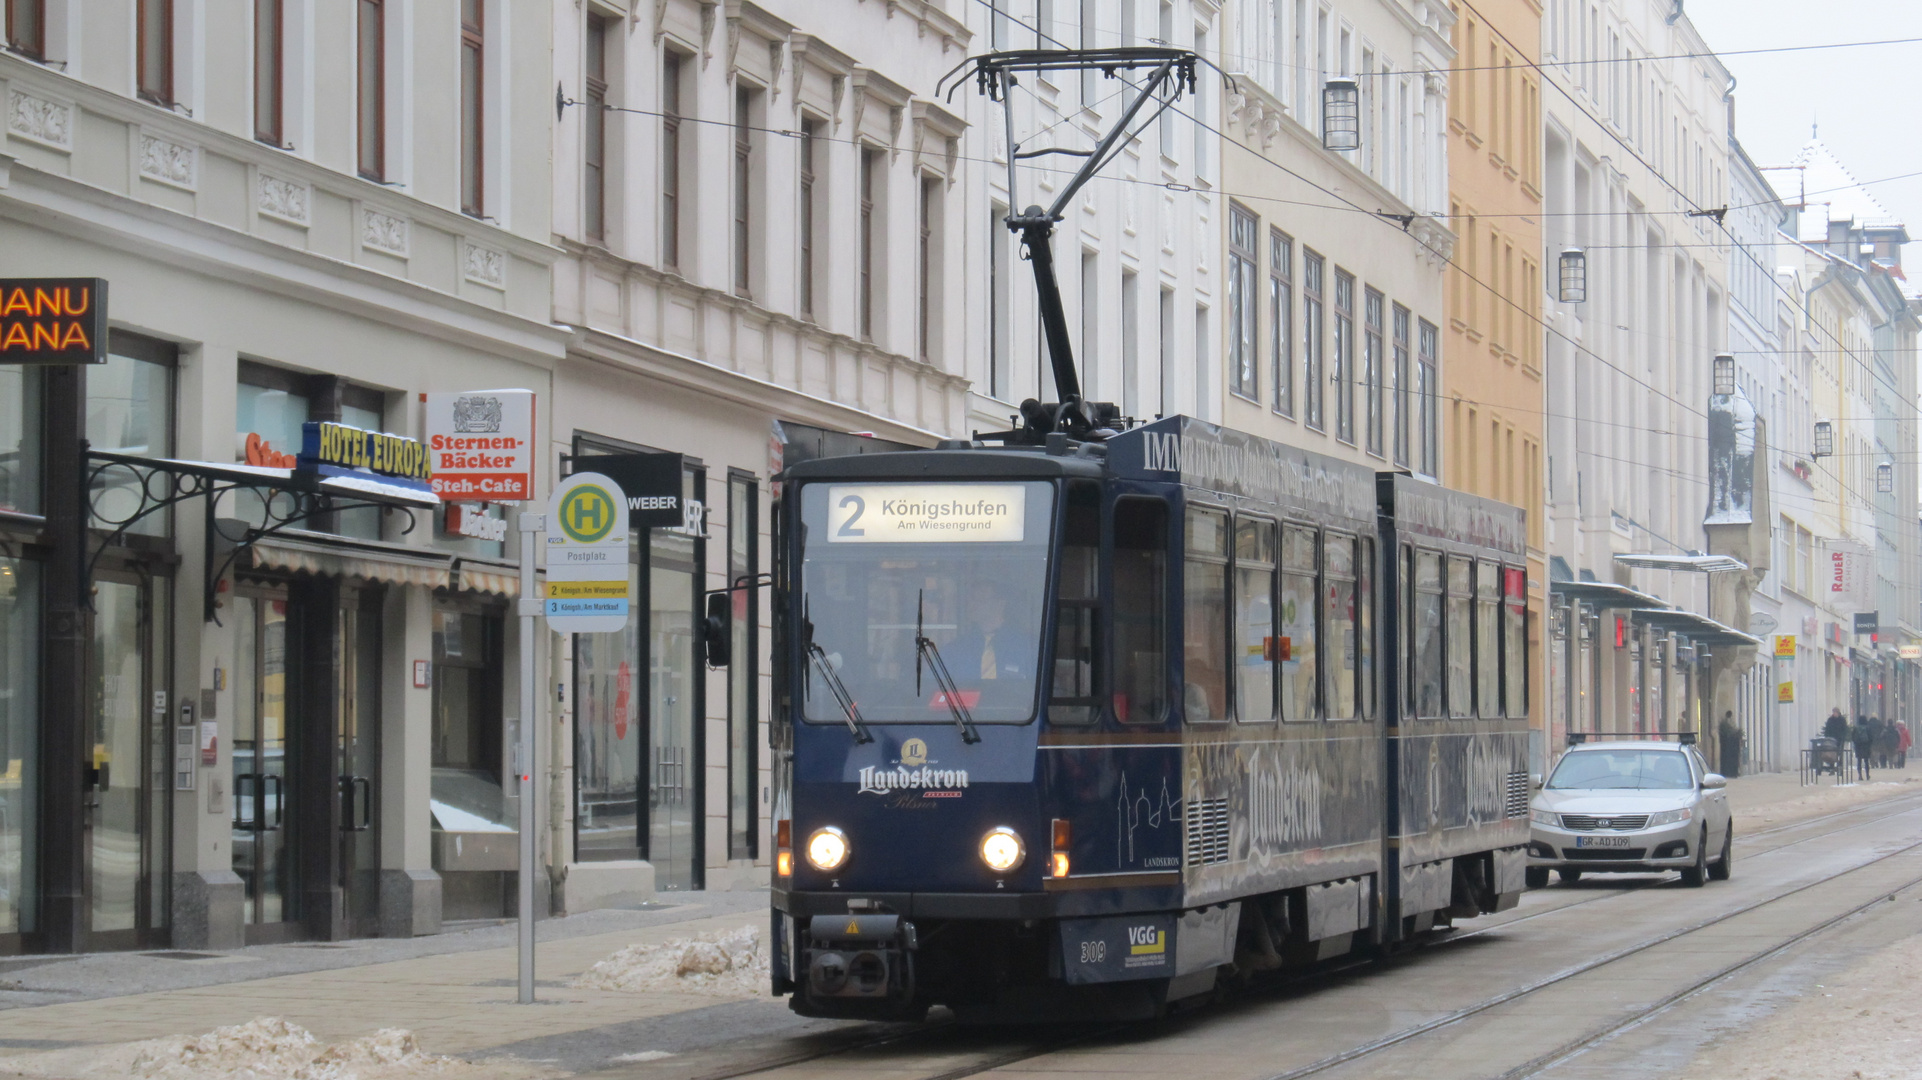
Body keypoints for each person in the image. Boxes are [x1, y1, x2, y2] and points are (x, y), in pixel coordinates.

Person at [1851, 715, 1877, 780]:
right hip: (1866, 746)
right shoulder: (1868, 728)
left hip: (1858, 746)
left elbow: (1853, 737)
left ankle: (1860, 775)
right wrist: (1869, 744)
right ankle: (1867, 775)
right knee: (1866, 761)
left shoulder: (1856, 728)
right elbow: (1871, 737)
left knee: (1859, 761)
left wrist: (1856, 743)